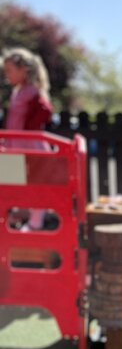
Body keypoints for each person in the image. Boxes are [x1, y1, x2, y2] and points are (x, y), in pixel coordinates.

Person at [1, 47, 53, 230]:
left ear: (23, 70)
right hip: (15, 144)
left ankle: (35, 222)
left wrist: (29, 129)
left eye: (9, 70)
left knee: (34, 184)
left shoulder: (31, 91)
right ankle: (17, 214)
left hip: (28, 144)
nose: (6, 75)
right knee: (10, 182)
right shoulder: (18, 91)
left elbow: (45, 110)